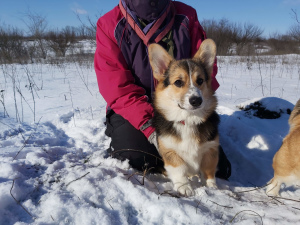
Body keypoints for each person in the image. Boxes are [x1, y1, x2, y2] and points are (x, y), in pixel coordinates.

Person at [94, 0, 231, 179]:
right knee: (138, 157)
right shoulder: (109, 24)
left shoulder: (186, 15)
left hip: (180, 109)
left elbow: (204, 72)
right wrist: (151, 129)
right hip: (132, 109)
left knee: (219, 170)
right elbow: (117, 88)